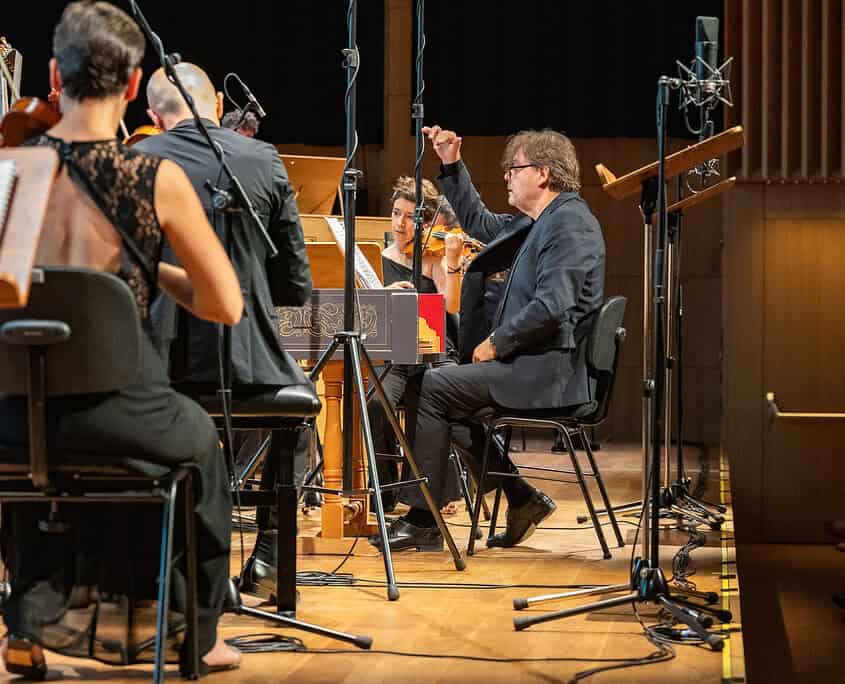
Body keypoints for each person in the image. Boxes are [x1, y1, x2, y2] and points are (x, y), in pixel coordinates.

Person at [0, 1, 243, 674]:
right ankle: (196, 637)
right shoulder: (156, 178)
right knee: (203, 451)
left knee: (31, 426)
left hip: (14, 413)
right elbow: (225, 305)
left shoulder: (11, 169)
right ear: (133, 85)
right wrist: (148, 266)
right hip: (121, 411)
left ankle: (25, 621)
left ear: (55, 73)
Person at [374, 125, 606, 552]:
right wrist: (450, 163)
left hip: (549, 369)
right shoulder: (540, 221)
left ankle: (424, 519)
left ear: (541, 173)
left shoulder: (570, 223)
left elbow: (553, 304)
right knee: (443, 400)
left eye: (513, 169)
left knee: (433, 387)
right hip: (537, 362)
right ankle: (520, 498)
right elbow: (480, 223)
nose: (506, 177)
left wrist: (497, 343)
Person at [134, 62, 313, 599]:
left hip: (158, 369)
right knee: (298, 424)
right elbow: (295, 286)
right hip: (249, 363)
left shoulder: (135, 161)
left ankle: (159, 566)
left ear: (153, 118)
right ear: (216, 106)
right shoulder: (262, 158)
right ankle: (267, 559)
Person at [366, 177, 463, 512]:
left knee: (427, 411)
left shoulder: (433, 259)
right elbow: (365, 313)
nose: (399, 223)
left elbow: (451, 306)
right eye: (395, 213)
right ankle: (385, 489)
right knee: (376, 406)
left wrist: (452, 264)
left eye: (409, 217)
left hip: (431, 354)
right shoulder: (378, 257)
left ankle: (426, 492)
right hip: (394, 354)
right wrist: (383, 295)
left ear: (425, 222)